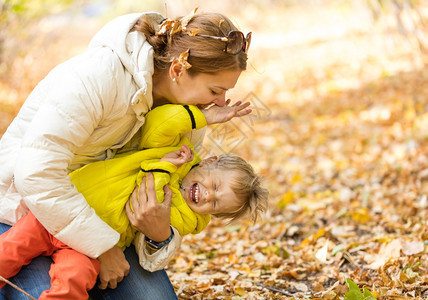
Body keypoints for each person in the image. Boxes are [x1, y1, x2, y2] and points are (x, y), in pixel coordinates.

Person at [0, 8, 253, 299]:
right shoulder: (99, 76)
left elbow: (172, 200)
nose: (221, 102)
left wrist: (160, 237)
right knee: (30, 291)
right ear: (178, 70)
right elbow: (36, 173)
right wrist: (102, 247)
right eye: (215, 90)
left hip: (107, 224)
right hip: (27, 211)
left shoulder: (192, 118)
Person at [0, 104, 268, 299]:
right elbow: (160, 123)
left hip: (92, 243)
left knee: (74, 278)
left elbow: (149, 199)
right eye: (216, 186)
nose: (208, 196)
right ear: (210, 161)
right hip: (62, 211)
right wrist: (203, 117)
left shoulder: (190, 218)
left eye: (215, 205)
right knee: (10, 250)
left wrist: (163, 170)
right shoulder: (175, 150)